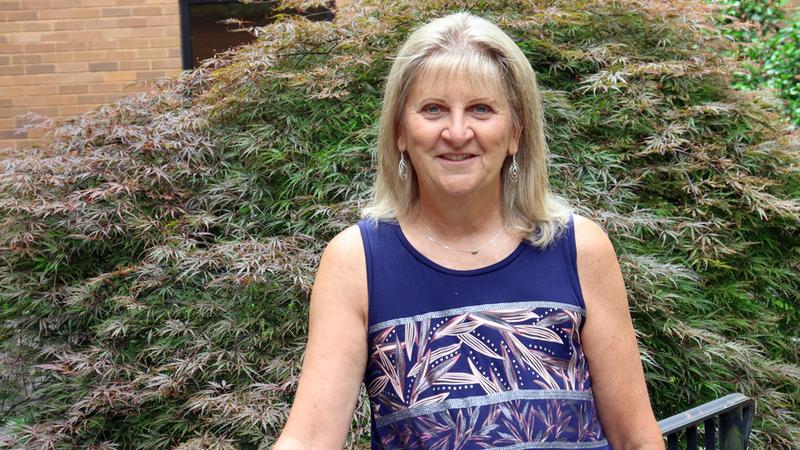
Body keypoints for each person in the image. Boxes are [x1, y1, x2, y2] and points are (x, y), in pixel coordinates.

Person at [272, 12, 665, 450]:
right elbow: (308, 440)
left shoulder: (578, 249)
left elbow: (636, 438)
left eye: (480, 109)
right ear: (400, 131)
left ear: (516, 132)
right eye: (433, 109)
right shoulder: (356, 262)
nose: (457, 132)